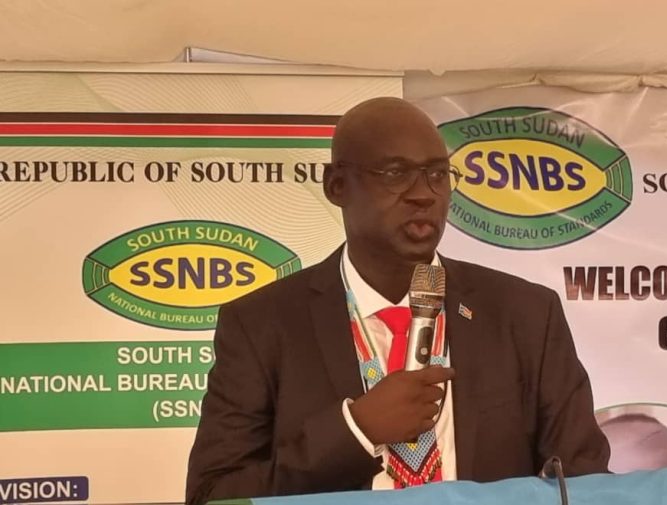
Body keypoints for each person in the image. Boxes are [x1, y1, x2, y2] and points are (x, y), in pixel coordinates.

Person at [185, 97, 609, 505]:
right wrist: (357, 430)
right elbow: (215, 495)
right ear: (336, 185)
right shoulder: (262, 324)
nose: (424, 194)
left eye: (437, 174)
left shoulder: (526, 314)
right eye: (395, 173)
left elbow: (584, 484)